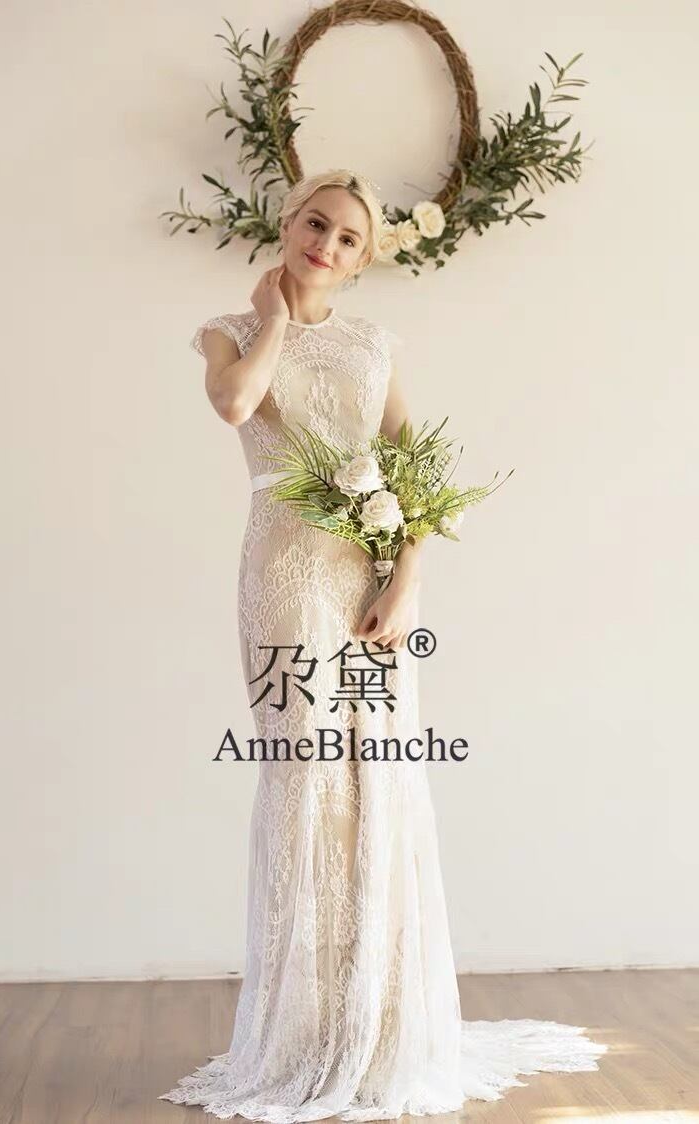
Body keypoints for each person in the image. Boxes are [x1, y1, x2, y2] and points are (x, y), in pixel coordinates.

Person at [159, 169, 607, 1120]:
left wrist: (409, 580)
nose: (326, 244)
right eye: (315, 224)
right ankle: (307, 1033)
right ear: (288, 222)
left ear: (364, 260)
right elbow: (236, 405)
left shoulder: (373, 345)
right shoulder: (228, 333)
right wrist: (272, 317)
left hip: (369, 576)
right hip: (285, 572)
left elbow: (415, 471)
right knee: (307, 779)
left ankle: (383, 1021)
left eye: (348, 238)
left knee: (381, 778)